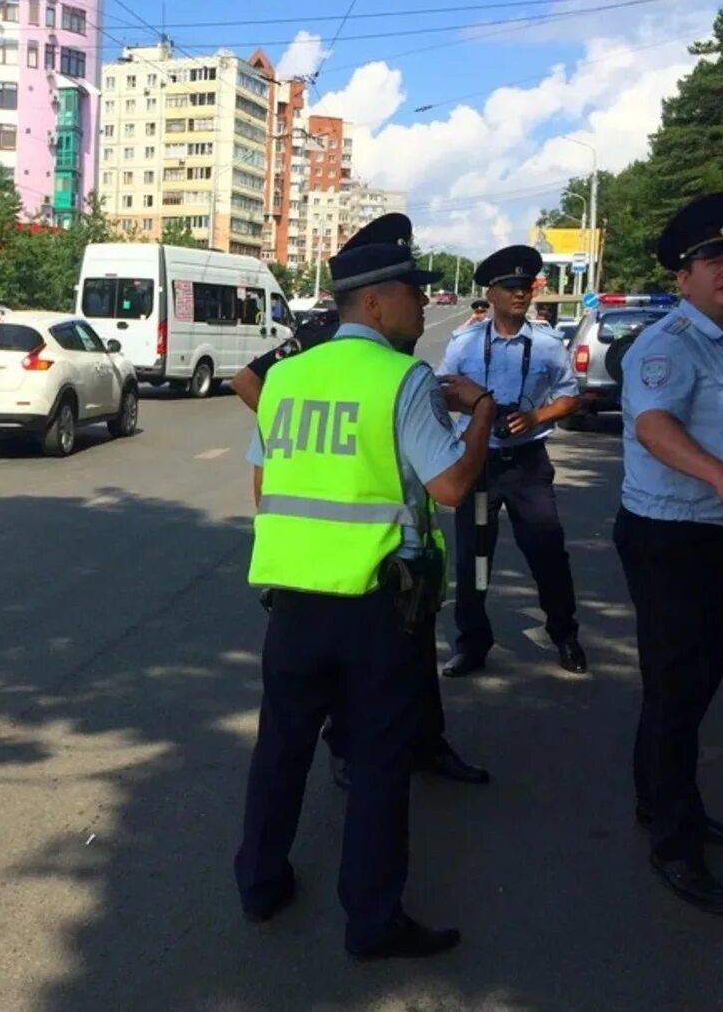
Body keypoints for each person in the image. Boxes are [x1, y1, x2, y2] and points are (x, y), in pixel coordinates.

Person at [234, 237, 497, 959]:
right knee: (381, 763)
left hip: (291, 600)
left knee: (280, 748)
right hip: (376, 609)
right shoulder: (401, 378)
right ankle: (373, 921)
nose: (422, 304)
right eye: (414, 292)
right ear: (376, 302)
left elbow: (265, 484)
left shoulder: (286, 379)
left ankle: (259, 883)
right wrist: (479, 415)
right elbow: (450, 487)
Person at [614, 192, 723, 916]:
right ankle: (675, 843)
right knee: (680, 690)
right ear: (682, 277)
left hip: (710, 535)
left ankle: (665, 801)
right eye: (712, 257)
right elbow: (653, 427)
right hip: (670, 538)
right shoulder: (667, 345)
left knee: (689, 684)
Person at [438, 245, 588, 676]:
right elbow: (443, 390)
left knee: (547, 551)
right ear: (492, 293)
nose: (520, 295)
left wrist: (536, 416)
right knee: (473, 557)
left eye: (525, 287)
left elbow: (570, 395)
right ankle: (472, 643)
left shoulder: (545, 343)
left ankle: (565, 633)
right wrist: (477, 409)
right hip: (478, 463)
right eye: (510, 288)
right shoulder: (465, 342)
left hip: (526, 464)